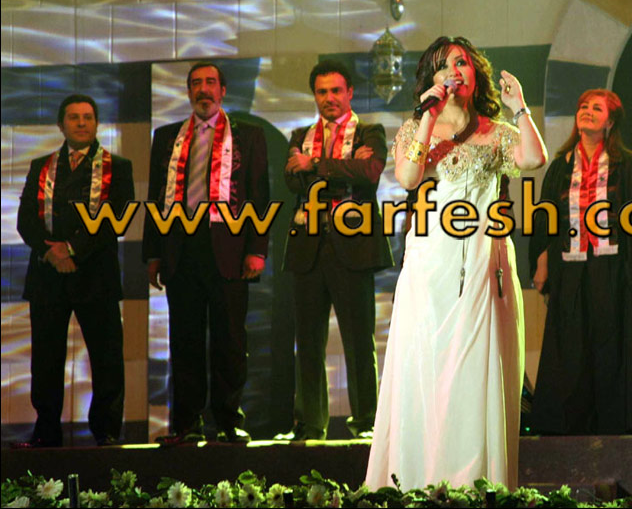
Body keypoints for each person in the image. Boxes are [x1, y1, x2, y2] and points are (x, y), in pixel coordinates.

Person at [366, 36, 546, 489]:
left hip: (484, 263)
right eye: (444, 66)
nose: (455, 72)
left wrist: (520, 109)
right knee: (426, 371)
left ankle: (473, 484)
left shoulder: (496, 132)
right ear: (432, 78)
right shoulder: (415, 129)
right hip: (430, 266)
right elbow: (408, 177)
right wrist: (428, 116)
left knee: (473, 374)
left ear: (475, 73)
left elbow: (534, 158)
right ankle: (417, 479)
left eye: (462, 63)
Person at [143, 62, 269, 444]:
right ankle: (187, 423)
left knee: (230, 340)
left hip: (229, 249)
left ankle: (229, 421)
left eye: (210, 82)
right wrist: (153, 253)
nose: (203, 89)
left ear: (223, 90)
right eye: (196, 83)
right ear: (188, 92)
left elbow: (259, 196)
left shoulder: (248, 136)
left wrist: (257, 250)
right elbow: (154, 198)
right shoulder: (167, 137)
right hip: (181, 249)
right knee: (185, 340)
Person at [528, 89, 632, 435]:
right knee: (571, 347)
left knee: (611, 347)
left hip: (612, 268)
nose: (587, 111)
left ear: (610, 121)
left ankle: (615, 426)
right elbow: (545, 220)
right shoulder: (561, 166)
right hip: (570, 267)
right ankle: (570, 426)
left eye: (596, 108)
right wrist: (542, 264)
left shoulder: (627, 165)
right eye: (583, 106)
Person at [279, 60, 393, 441]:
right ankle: (310, 424)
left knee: (359, 340)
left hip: (353, 246)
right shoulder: (300, 134)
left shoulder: (369, 132)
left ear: (350, 93)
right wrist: (343, 168)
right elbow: (293, 182)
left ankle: (365, 421)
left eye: (335, 90)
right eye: (322, 91)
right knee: (308, 342)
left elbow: (369, 174)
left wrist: (314, 164)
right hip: (308, 246)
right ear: (314, 95)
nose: (329, 98)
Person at [15, 94, 134, 447]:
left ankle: (106, 432)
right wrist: (51, 252)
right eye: (73, 117)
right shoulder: (41, 166)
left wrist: (71, 249)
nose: (81, 123)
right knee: (46, 359)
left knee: (106, 359)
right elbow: (26, 220)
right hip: (48, 275)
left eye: (87, 117)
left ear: (96, 124)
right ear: (61, 125)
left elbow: (116, 221)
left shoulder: (118, 167)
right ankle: (46, 432)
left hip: (96, 275)